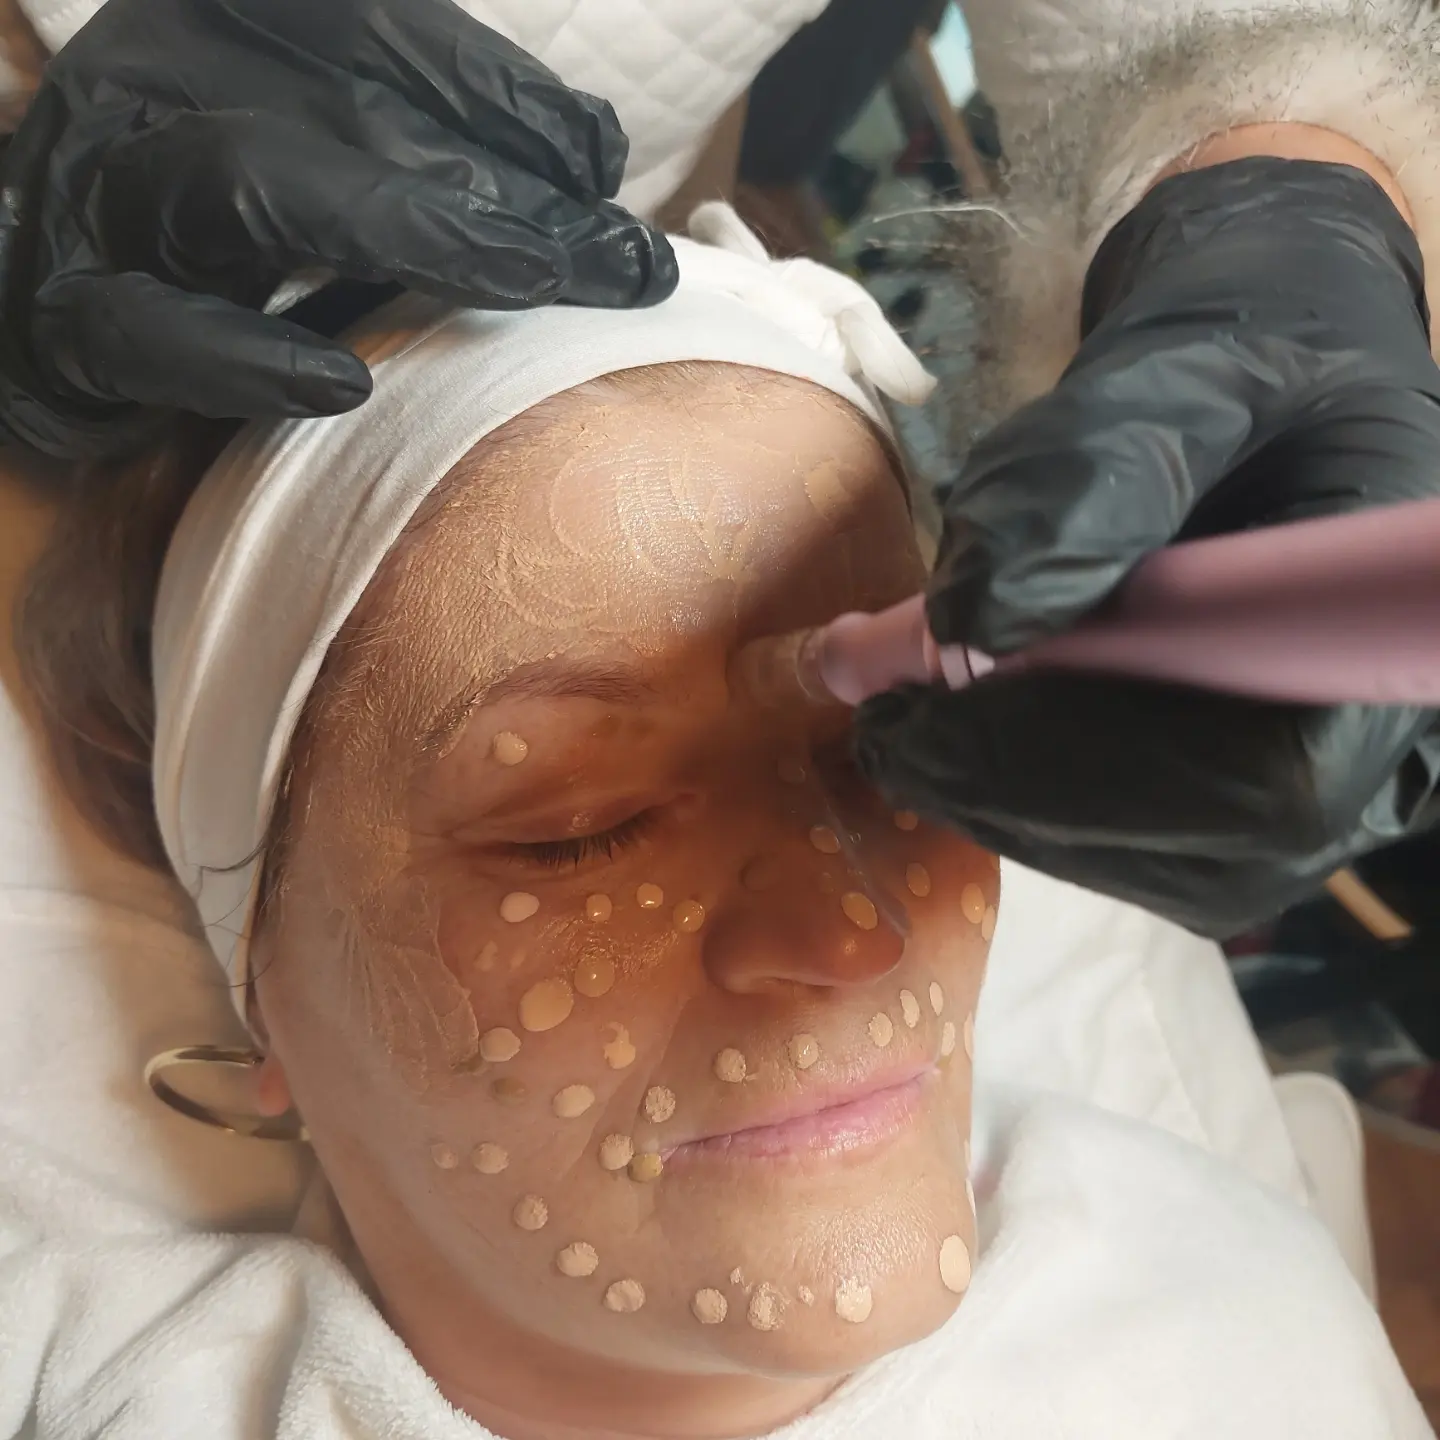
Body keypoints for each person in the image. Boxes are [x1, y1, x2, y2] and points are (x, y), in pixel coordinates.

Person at [0, 205, 1426, 1438]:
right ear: (264, 981)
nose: (850, 936)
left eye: (887, 755)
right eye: (582, 827)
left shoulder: (1240, 1315)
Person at [1, 0, 1438, 941]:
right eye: (577, 834)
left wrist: (1276, 185)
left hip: (562, 262)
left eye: (873, 780)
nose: (845, 944)